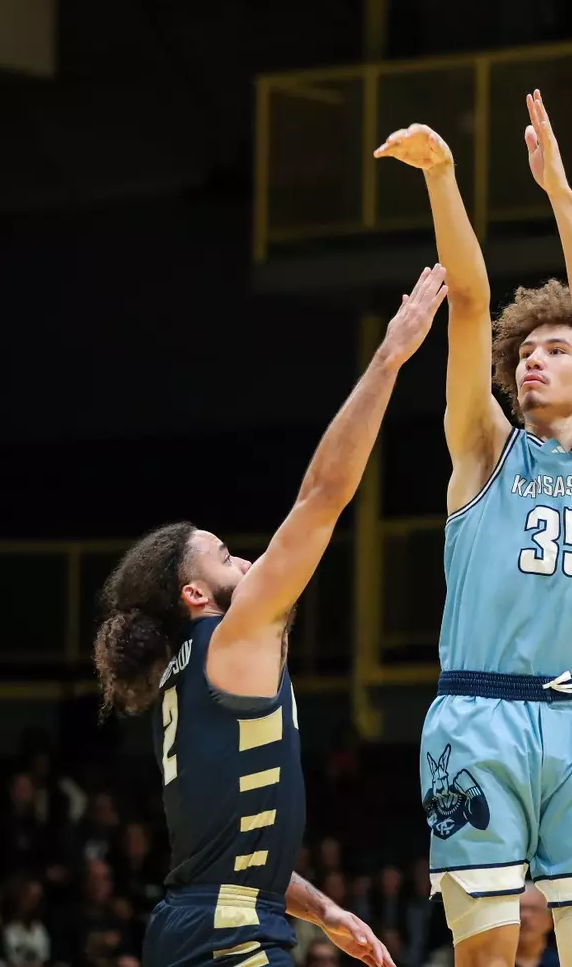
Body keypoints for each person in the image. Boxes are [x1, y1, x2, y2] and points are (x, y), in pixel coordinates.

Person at [93, 267, 451, 967]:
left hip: (199, 924)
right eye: (226, 558)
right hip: (228, 940)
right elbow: (322, 494)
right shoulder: (233, 637)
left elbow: (229, 861)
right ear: (196, 596)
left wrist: (325, 910)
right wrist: (390, 357)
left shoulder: (192, 677)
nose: (251, 563)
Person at [375, 91, 572, 967]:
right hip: (478, 716)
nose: (533, 358)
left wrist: (561, 197)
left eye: (554, 350)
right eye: (526, 351)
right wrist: (445, 178)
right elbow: (468, 300)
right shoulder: (485, 448)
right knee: (488, 958)